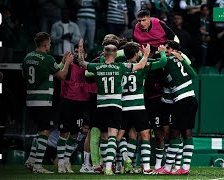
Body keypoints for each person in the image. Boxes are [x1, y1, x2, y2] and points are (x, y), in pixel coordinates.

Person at [78, 42, 151, 175]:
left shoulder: (97, 67)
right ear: (116, 54)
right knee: (113, 136)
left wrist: (80, 52)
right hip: (115, 106)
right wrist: (145, 54)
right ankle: (108, 168)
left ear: (104, 54)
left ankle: (106, 164)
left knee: (104, 136)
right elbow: (140, 65)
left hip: (101, 106)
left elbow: (82, 63)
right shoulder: (121, 67)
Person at [23, 32, 73, 174]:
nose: (50, 45)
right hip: (43, 100)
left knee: (40, 131)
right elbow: (62, 76)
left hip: (30, 100)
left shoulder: (28, 57)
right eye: (50, 43)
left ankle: (31, 160)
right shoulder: (47, 58)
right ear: (45, 44)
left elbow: (24, 74)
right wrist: (67, 64)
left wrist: (62, 62)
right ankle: (38, 165)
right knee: (45, 131)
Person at [120, 42, 167, 174]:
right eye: (139, 51)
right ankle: (146, 168)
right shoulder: (143, 65)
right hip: (138, 106)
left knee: (120, 136)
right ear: (136, 54)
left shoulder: (119, 65)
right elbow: (162, 62)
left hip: (123, 105)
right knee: (145, 135)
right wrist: (161, 52)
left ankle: (118, 164)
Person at [157, 40, 198, 175]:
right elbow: (194, 75)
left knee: (175, 133)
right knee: (186, 132)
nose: (165, 50)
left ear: (173, 50)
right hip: (191, 98)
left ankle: (168, 168)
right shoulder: (180, 60)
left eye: (167, 48)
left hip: (182, 100)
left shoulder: (168, 60)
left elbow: (162, 62)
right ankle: (184, 167)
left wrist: (162, 54)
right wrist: (182, 59)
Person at [56, 43, 93, 173]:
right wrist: (63, 62)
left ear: (86, 55)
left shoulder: (88, 67)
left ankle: (66, 160)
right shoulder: (68, 65)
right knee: (64, 132)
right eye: (75, 51)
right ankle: (60, 163)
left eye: (80, 52)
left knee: (75, 134)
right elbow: (57, 73)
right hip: (68, 102)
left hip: (82, 104)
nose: (77, 54)